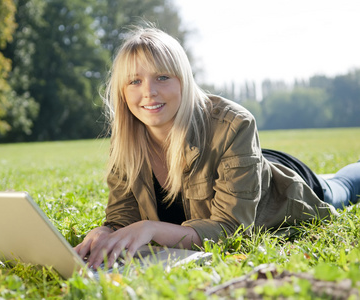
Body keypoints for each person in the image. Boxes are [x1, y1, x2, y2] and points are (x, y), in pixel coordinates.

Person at [74, 26, 360, 269]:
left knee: (341, 186)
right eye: (135, 81)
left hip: (279, 187)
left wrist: (150, 228)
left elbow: (231, 229)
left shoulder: (234, 124)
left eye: (162, 77)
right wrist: (108, 231)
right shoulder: (127, 139)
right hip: (246, 167)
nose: (149, 91)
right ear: (122, 92)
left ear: (184, 80)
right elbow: (124, 215)